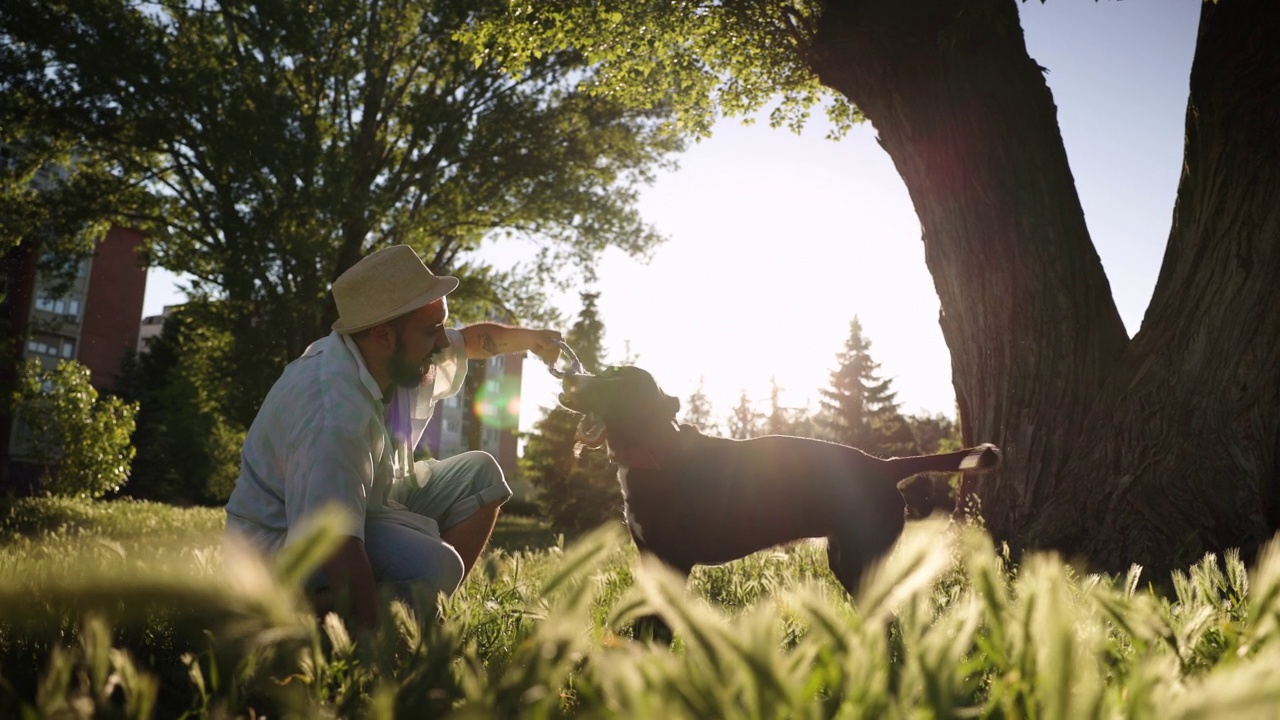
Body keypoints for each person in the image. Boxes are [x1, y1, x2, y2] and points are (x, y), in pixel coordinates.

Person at [224, 244, 562, 630]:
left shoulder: (397, 353)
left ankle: (426, 617)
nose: (443, 341)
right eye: (433, 331)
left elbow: (470, 340)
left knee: (481, 474)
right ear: (383, 335)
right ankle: (326, 623)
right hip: (283, 546)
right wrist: (370, 665)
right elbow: (335, 542)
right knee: (438, 566)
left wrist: (534, 339)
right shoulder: (333, 416)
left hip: (367, 504)